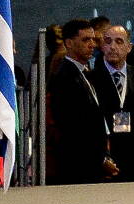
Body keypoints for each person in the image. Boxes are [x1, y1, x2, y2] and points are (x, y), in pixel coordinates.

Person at [47, 18, 115, 184]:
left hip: (93, 159)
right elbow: (72, 127)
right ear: (69, 43)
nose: (92, 44)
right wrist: (100, 159)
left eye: (93, 39)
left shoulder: (87, 73)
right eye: (86, 40)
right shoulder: (64, 77)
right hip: (77, 164)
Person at [92, 23, 134, 183]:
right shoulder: (91, 78)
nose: (112, 47)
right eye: (108, 41)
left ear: (129, 47)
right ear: (102, 47)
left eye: (119, 41)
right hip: (108, 157)